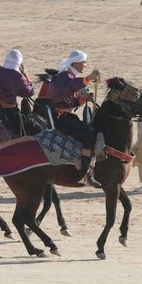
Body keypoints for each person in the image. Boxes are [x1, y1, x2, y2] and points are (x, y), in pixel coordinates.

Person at [48, 50, 101, 186]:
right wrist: (89, 78)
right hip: (62, 118)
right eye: (84, 62)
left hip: (66, 115)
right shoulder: (66, 76)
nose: (85, 65)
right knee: (89, 135)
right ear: (76, 63)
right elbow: (72, 87)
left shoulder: (68, 76)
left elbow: (68, 98)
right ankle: (85, 169)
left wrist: (83, 100)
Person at [0, 49, 42, 137]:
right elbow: (30, 92)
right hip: (10, 116)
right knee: (37, 129)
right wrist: (25, 74)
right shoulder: (16, 76)